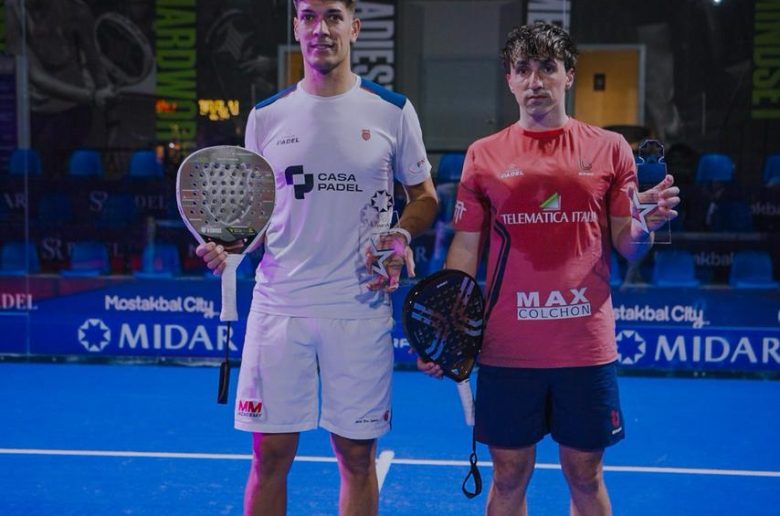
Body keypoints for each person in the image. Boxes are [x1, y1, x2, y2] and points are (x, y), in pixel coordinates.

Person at [418, 23, 680, 516]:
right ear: (509, 80)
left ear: (569, 75)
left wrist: (645, 225)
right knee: (509, 475)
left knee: (585, 474)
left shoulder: (610, 148)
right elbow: (465, 251)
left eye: (547, 68)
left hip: (584, 346)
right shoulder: (483, 155)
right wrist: (446, 330)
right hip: (507, 346)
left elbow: (629, 246)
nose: (535, 80)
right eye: (523, 69)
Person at [196, 1, 438, 515]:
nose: (320, 29)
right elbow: (256, 219)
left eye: (332, 16)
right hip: (279, 306)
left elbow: (425, 197)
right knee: (269, 456)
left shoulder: (392, 110)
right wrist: (230, 250)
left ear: (354, 26)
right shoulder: (266, 117)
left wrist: (400, 232)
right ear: (296, 27)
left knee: (357, 457)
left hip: (359, 306)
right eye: (308, 16)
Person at [5, 0, 116, 175]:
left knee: (80, 177)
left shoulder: (76, 9)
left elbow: (96, 64)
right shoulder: (11, 12)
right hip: (37, 118)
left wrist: (112, 126)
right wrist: (92, 97)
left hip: (76, 116)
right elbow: (35, 76)